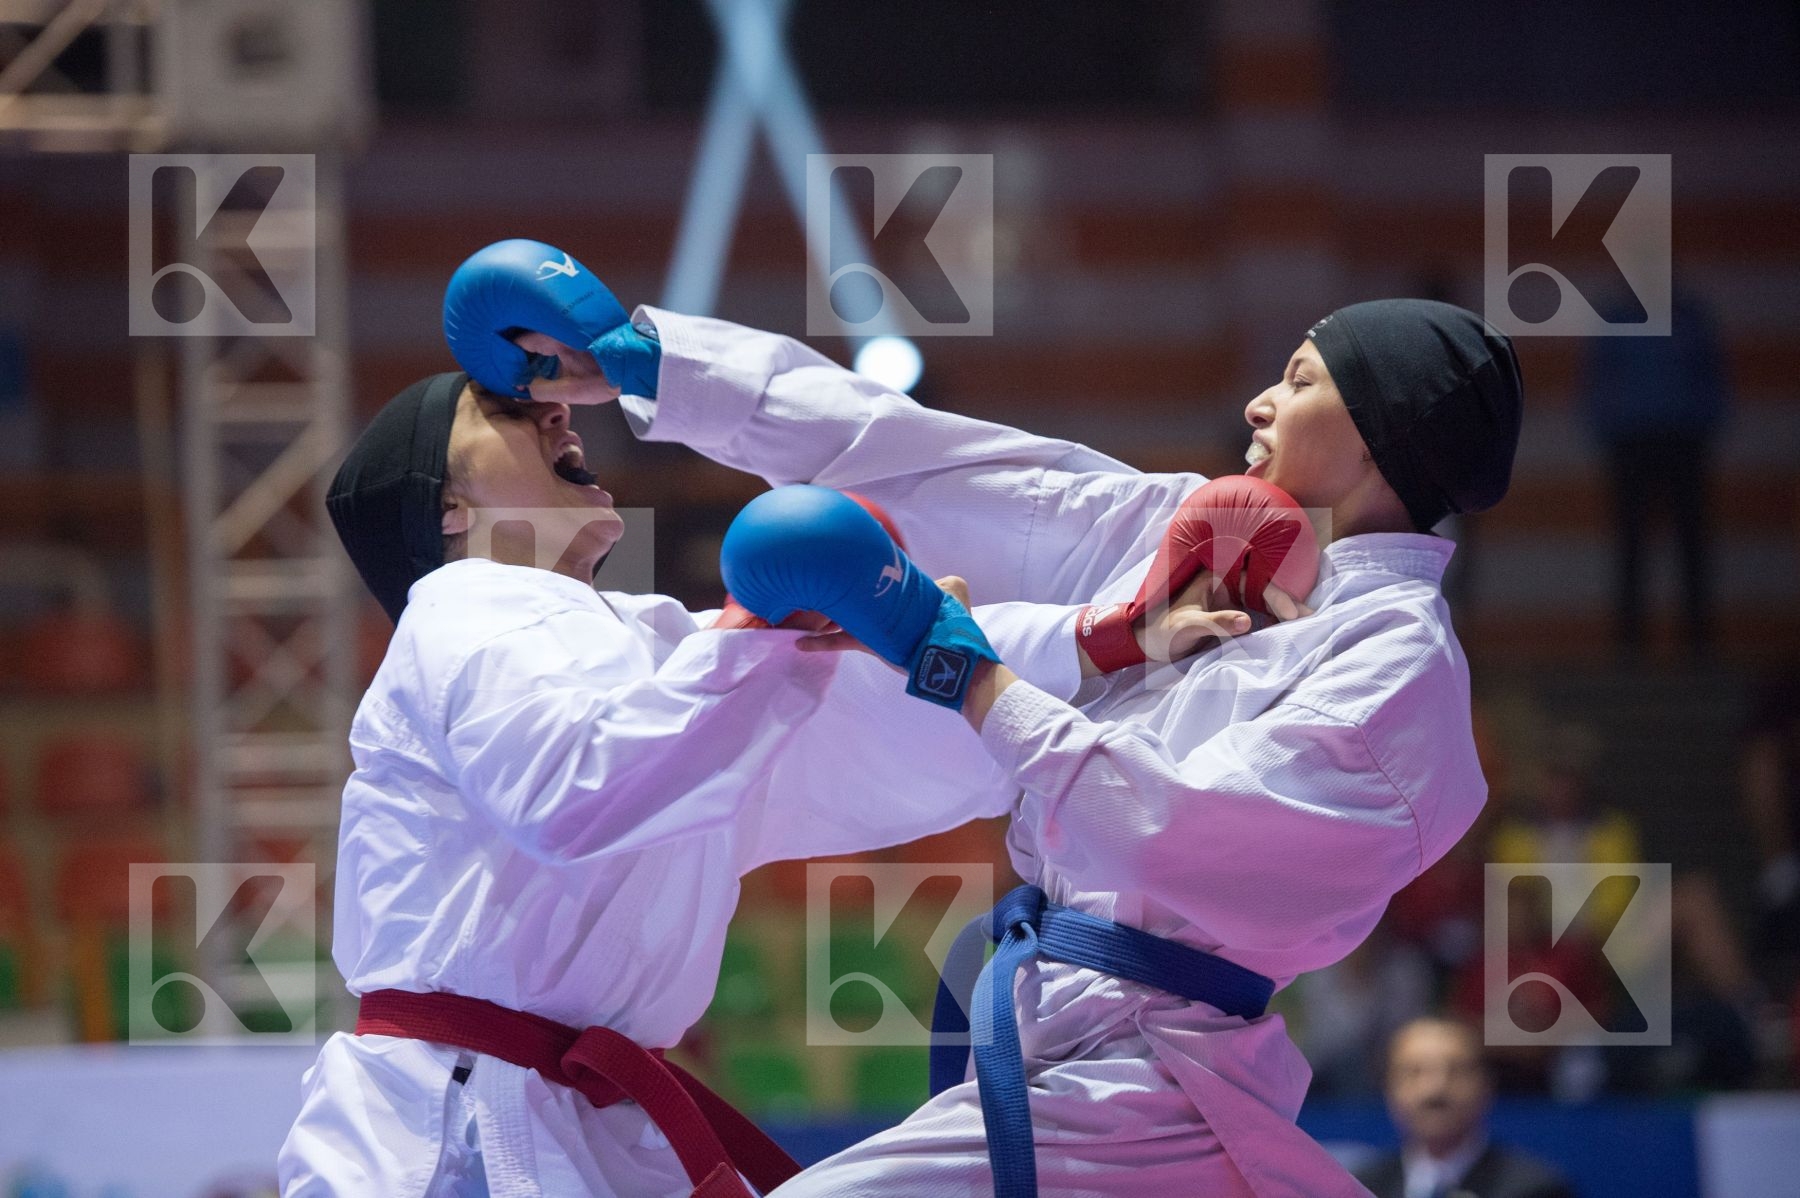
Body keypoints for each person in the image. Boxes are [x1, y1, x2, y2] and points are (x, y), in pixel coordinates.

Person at [445, 241, 1523, 1196]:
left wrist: (966, 672)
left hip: (1148, 1081)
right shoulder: (1209, 538)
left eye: (1297, 380)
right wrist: (656, 368)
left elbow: (1179, 833)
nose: (1258, 403)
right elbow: (928, 458)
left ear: (1385, 435)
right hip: (1058, 1031)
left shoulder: (1402, 672)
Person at [278, 350, 1098, 1192]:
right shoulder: (460, 606)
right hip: (449, 1129)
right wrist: (758, 630)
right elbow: (575, 790)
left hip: (594, 1123)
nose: (557, 414)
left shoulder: (647, 640)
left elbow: (843, 730)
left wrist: (1102, 640)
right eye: (505, 411)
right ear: (448, 507)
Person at [1354, 1017, 1575, 1198]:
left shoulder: (1533, 1189)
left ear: (1486, 1085)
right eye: (1414, 1071)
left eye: (1456, 1070)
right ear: (1389, 1088)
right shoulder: (1360, 1188)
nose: (1435, 1088)